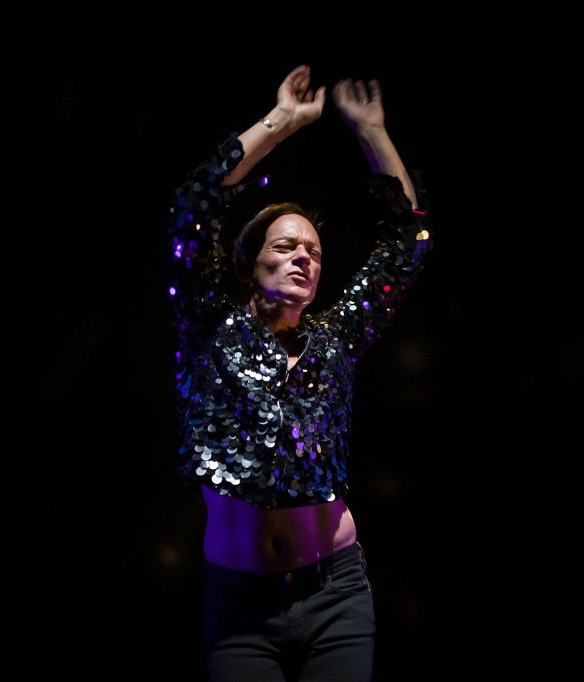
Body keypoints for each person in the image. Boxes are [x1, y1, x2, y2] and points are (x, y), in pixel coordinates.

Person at [168, 64, 432, 681]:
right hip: (241, 604)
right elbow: (193, 204)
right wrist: (281, 122)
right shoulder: (209, 326)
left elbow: (407, 241)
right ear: (249, 260)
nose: (303, 258)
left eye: (313, 252)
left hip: (336, 593)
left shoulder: (334, 338)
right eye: (287, 246)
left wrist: (372, 133)